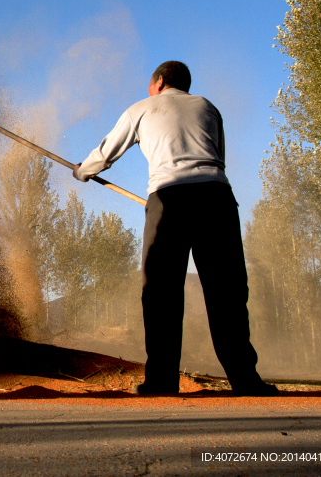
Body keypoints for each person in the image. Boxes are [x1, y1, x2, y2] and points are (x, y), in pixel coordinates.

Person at [74, 60, 277, 396]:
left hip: (169, 198)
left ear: (160, 81)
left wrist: (82, 171)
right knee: (226, 291)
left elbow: (106, 154)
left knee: (161, 293)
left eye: (150, 84)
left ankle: (161, 382)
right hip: (217, 197)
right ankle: (245, 380)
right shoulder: (208, 107)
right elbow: (218, 157)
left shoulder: (142, 108)